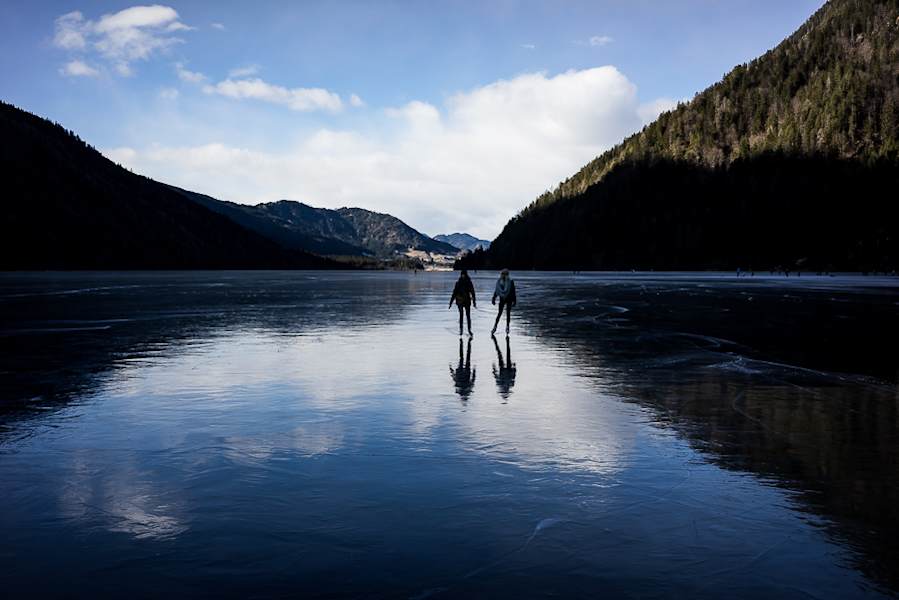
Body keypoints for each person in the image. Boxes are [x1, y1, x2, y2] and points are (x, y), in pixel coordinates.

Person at [449, 269, 476, 336]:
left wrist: (474, 301)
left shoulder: (469, 282)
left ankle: (469, 330)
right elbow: (454, 293)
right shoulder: (458, 283)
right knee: (461, 315)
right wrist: (451, 302)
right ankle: (461, 329)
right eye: (462, 274)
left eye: (463, 274)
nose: (463, 276)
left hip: (466, 301)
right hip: (460, 301)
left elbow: (472, 292)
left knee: (468, 316)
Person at [491, 268, 516, 336]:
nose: (504, 275)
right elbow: (497, 290)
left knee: (508, 313)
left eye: (505, 274)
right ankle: (495, 326)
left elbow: (513, 291)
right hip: (502, 299)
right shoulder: (499, 281)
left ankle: (507, 327)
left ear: (507, 274)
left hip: (509, 299)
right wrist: (494, 298)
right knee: (499, 313)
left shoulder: (511, 281)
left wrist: (514, 300)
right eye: (503, 274)